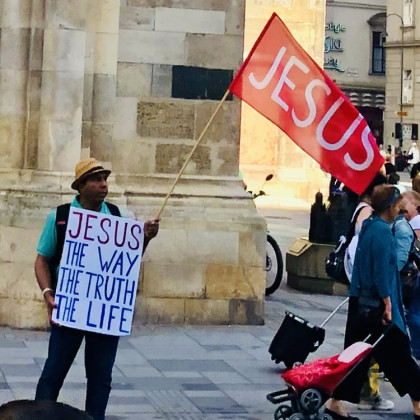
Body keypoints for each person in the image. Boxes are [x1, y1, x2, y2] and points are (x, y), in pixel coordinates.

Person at [34, 158, 160, 420]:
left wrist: (145, 238)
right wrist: (48, 294)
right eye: (96, 180)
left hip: (103, 313)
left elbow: (127, 262)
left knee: (100, 378)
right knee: (53, 374)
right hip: (69, 309)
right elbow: (42, 260)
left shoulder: (117, 217)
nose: (104, 185)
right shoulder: (60, 217)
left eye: (105, 179)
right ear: (81, 186)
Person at [325, 185, 420, 420]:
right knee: (398, 354)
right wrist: (387, 304)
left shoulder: (369, 226)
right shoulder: (382, 232)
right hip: (376, 306)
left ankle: (335, 402)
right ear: (390, 207)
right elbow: (381, 273)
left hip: (361, 302)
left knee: (357, 356)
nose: (400, 209)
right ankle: (418, 402)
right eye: (397, 205)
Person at [342, 173, 394, 411]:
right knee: (375, 347)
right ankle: (367, 392)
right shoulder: (374, 222)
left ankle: (341, 398)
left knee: (361, 346)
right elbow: (376, 264)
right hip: (369, 295)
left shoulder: (368, 217)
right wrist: (386, 300)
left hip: (362, 291)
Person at [401, 190, 420, 361]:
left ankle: (416, 349)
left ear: (415, 205)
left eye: (406, 203)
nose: (402, 207)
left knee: (414, 312)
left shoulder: (415, 222)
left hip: (416, 274)